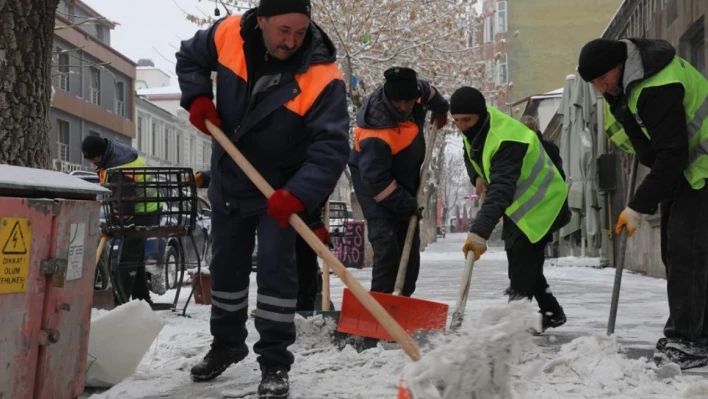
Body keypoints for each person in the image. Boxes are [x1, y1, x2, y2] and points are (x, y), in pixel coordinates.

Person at [175, 0, 350, 396]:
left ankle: (274, 360)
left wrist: (298, 194)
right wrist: (197, 96)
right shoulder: (229, 33)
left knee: (275, 273)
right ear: (262, 21)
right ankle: (227, 343)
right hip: (231, 178)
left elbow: (331, 148)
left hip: (280, 189)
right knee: (227, 269)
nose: (292, 41)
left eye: (301, 32)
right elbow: (189, 55)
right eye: (283, 31)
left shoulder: (322, 75)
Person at [577, 38, 708, 368]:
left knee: (686, 249)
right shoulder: (624, 87)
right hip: (687, 167)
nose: (599, 87)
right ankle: (690, 331)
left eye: (601, 78)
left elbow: (671, 153)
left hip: (701, 164)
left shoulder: (657, 85)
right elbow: (650, 149)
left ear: (618, 66)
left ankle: (691, 340)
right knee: (675, 249)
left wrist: (637, 206)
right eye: (592, 82)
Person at [451, 86, 570, 333]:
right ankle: (552, 312)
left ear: (480, 115)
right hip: (519, 207)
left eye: (466, 120)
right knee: (523, 263)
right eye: (457, 121)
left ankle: (510, 330)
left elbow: (502, 189)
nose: (462, 126)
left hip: (543, 205)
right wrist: (476, 176)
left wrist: (480, 231)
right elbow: (468, 151)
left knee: (521, 267)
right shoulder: (475, 128)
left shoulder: (506, 139)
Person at [348, 67, 449, 297]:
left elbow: (430, 93)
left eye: (409, 101)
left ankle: (402, 302)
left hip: (402, 178)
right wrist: (407, 204)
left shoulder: (417, 92)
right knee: (388, 250)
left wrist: (441, 108)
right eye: (397, 103)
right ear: (388, 97)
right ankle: (381, 309)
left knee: (409, 252)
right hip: (376, 190)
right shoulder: (376, 130)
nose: (404, 108)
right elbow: (375, 181)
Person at [194, 170, 331, 311]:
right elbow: (245, 166)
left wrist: (314, 220)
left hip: (299, 209)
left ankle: (302, 311)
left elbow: (317, 181)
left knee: (303, 265)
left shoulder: (313, 160)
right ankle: (284, 312)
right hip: (276, 210)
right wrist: (208, 177)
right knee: (277, 264)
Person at [81, 135, 158, 306]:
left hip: (144, 212)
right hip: (143, 209)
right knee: (134, 257)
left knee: (126, 258)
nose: (93, 162)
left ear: (103, 153)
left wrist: (115, 223)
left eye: (95, 158)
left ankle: (118, 301)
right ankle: (142, 300)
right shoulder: (114, 157)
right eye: (90, 159)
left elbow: (124, 205)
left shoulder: (120, 169)